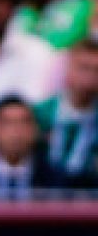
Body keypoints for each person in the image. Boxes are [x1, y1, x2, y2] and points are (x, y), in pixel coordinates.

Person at [35, 37, 98, 183]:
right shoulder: (40, 114)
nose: (90, 77)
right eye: (84, 68)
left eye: (96, 70)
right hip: (42, 196)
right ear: (68, 68)